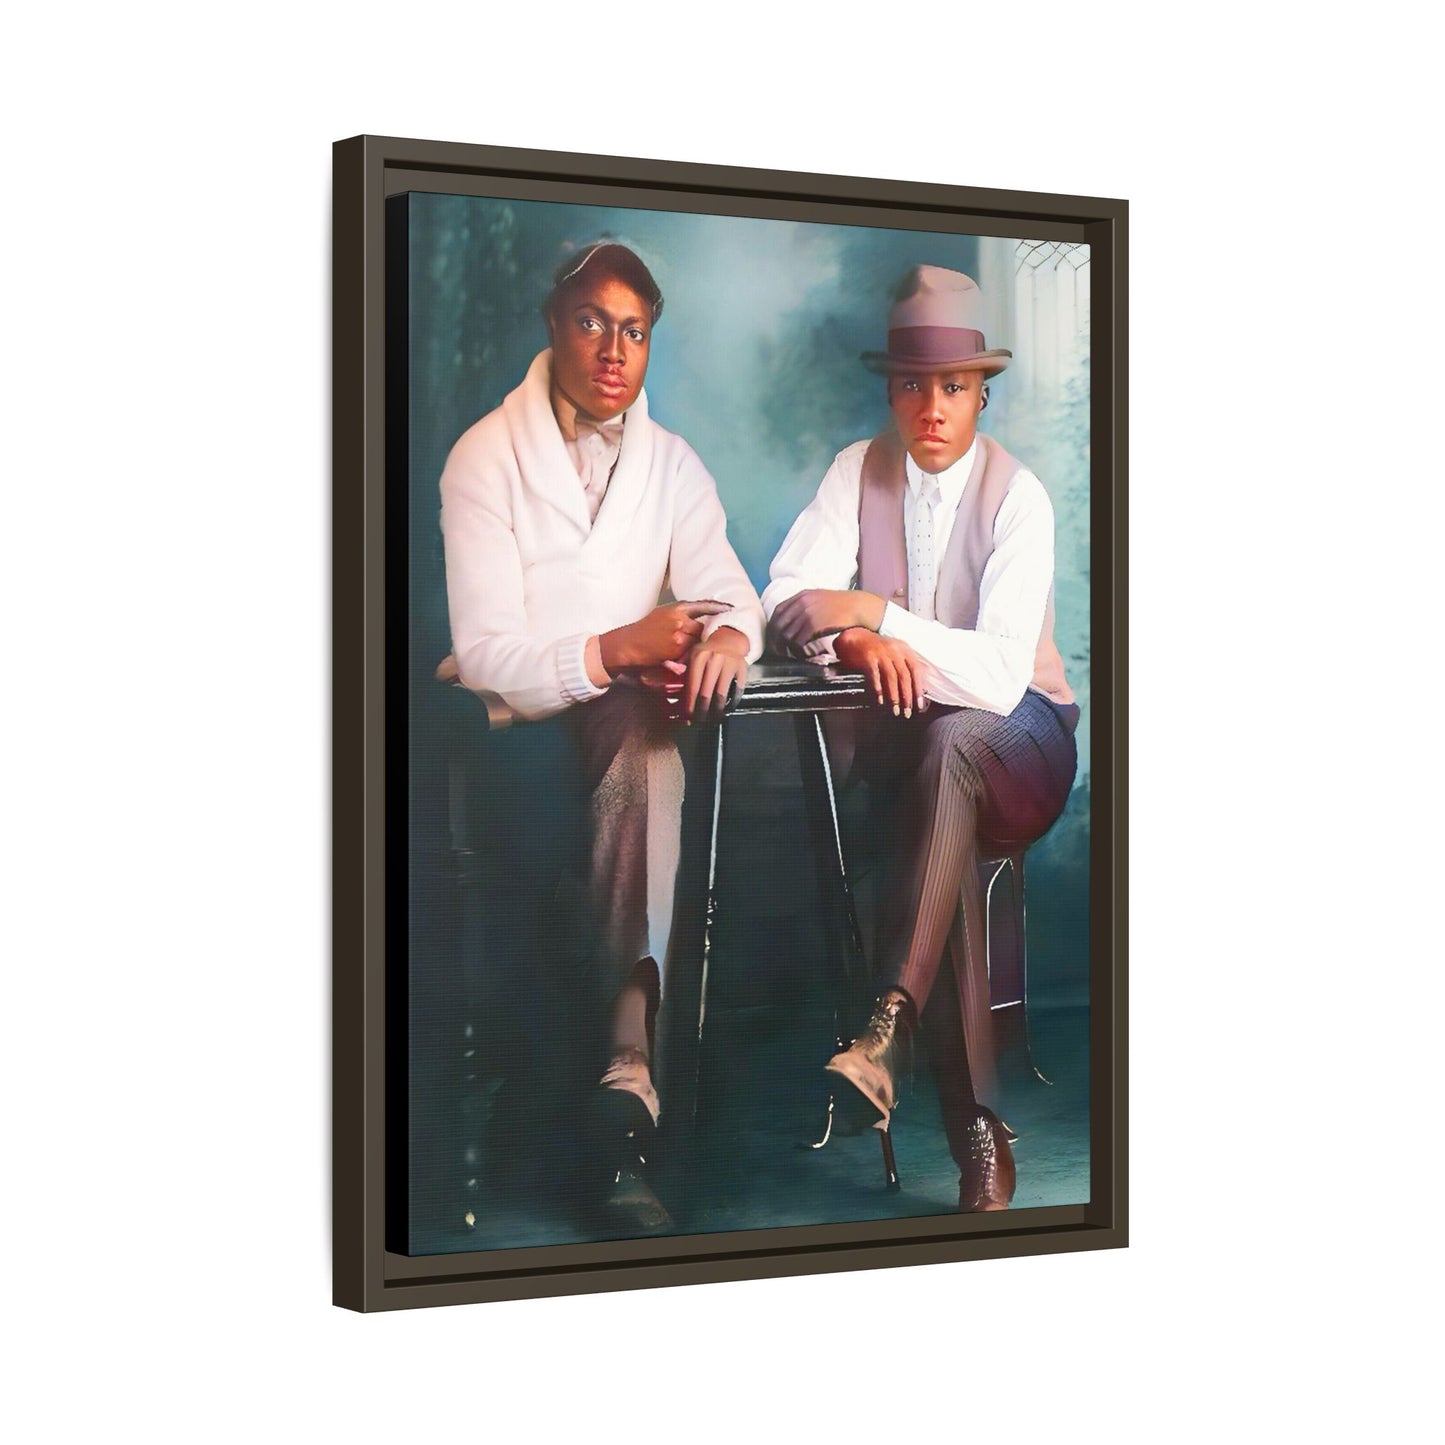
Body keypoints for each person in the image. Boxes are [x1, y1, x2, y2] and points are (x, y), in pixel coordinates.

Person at [438, 241, 764, 1231]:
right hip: (510, 733)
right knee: (626, 735)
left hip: (624, 723)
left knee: (649, 741)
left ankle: (626, 1076)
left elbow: (730, 585)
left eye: (633, 328)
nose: (613, 347)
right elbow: (486, 648)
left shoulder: (670, 464)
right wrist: (617, 643)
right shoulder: (483, 455)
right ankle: (601, 1081)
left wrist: (731, 636)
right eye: (592, 320)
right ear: (553, 324)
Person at [762, 264, 1079, 1212]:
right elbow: (784, 595)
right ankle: (974, 1131)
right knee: (941, 798)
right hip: (919, 755)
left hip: (1026, 743)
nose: (931, 405)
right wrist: (853, 638)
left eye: (952, 385)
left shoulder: (1020, 499)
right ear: (890, 387)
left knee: (955, 752)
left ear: (982, 388)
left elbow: (993, 677)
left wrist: (873, 611)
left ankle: (889, 1027)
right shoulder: (853, 472)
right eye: (911, 383)